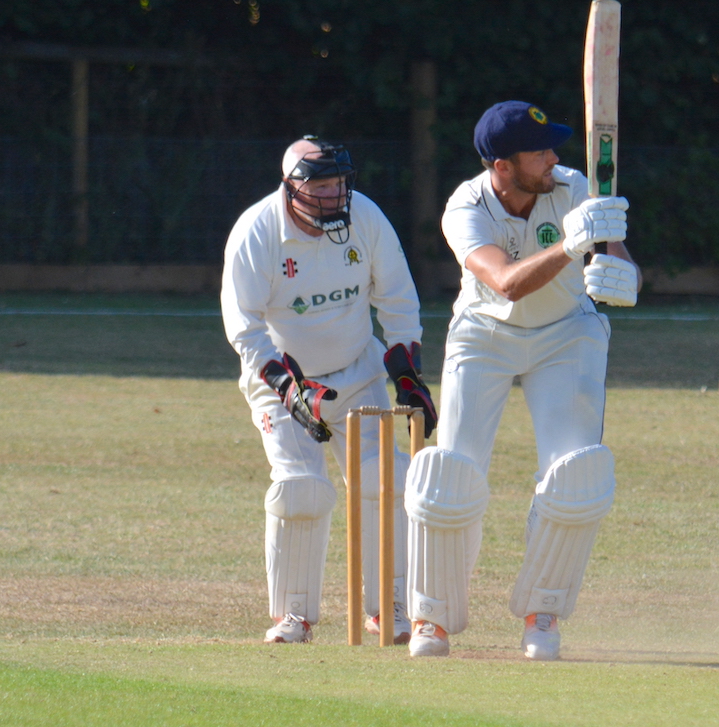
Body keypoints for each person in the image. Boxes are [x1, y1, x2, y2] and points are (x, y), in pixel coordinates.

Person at [404, 101, 640, 660]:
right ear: (503, 166)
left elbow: (612, 250)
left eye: (554, 147)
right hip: (483, 333)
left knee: (574, 474)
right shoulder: (466, 207)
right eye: (540, 152)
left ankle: (544, 615)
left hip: (566, 334)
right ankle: (431, 618)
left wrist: (622, 270)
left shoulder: (572, 184)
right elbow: (506, 283)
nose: (554, 159)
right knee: (450, 476)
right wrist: (571, 245)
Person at [221, 137, 437, 644]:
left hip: (357, 372)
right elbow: (244, 327)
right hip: (283, 380)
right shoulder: (257, 232)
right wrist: (286, 388)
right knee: (301, 488)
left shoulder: (365, 217)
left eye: (339, 183)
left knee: (387, 481)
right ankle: (293, 614)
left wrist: (407, 374)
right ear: (291, 188)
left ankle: (389, 605)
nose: (335, 196)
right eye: (321, 186)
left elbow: (399, 301)